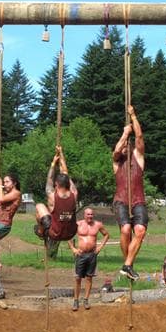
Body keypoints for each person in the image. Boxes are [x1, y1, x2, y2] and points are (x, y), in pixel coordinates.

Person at [112, 105, 147, 281]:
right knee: (125, 229)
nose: (123, 147)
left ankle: (127, 265)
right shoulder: (117, 162)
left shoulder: (138, 158)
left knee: (140, 230)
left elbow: (139, 136)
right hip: (121, 201)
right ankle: (129, 265)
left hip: (138, 200)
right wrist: (125, 134)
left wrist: (133, 116)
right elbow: (116, 151)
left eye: (126, 144)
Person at [34, 145, 78, 256]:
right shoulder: (74, 193)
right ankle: (42, 231)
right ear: (68, 184)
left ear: (56, 184)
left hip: (55, 233)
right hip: (71, 233)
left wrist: (53, 163)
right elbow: (66, 173)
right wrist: (61, 153)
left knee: (39, 206)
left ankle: (40, 231)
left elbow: (49, 179)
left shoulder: (52, 196)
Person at [67, 207, 110, 311]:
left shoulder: (98, 224)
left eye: (91, 214)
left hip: (92, 255)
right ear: (84, 215)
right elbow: (68, 235)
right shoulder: (78, 224)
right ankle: (76, 301)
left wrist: (100, 247)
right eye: (88, 214)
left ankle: (86, 300)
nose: (90, 216)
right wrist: (73, 248)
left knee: (89, 278)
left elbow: (106, 235)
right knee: (77, 278)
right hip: (80, 254)